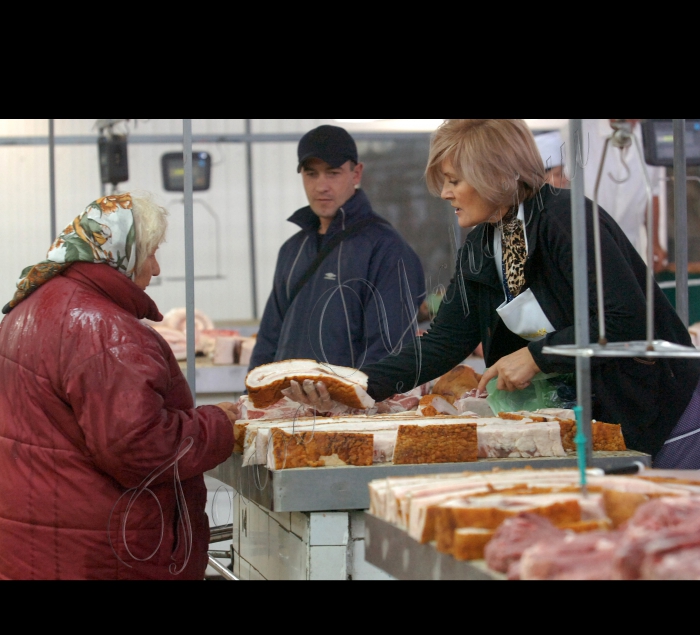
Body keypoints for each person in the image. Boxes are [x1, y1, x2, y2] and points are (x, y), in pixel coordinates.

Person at [284, 119, 700, 463]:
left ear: (494, 173)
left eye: (453, 181)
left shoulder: (565, 220)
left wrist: (537, 355)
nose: (445, 193)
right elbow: (443, 344)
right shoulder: (483, 246)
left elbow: (627, 321)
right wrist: (356, 386)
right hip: (604, 428)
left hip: (666, 415)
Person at [0, 193, 239, 580]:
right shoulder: (106, 330)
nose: (157, 269)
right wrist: (218, 425)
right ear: (119, 253)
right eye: (150, 253)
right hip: (103, 554)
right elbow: (137, 448)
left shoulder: (27, 308)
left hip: (35, 544)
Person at [249, 125, 425, 372]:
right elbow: (268, 339)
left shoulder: (386, 248)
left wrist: (347, 401)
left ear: (356, 174)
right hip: (286, 404)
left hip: (349, 407)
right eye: (311, 174)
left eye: (333, 173)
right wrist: (254, 397)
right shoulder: (292, 250)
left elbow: (388, 350)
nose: (321, 186)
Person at [583, 119, 668, 272]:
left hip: (628, 245)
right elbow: (559, 184)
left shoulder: (648, 137)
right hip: (585, 243)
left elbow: (652, 194)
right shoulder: (580, 133)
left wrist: (654, 241)